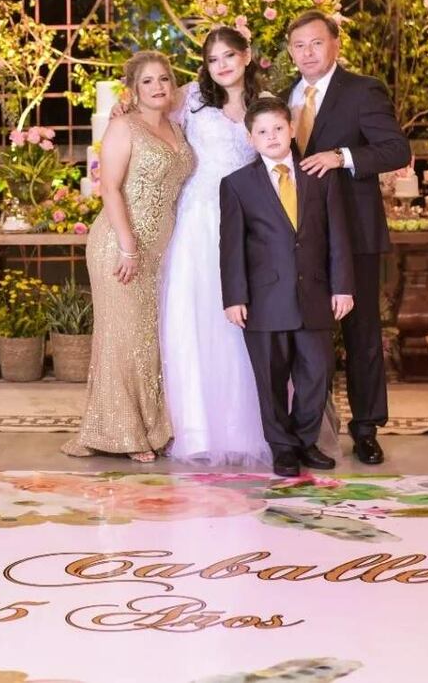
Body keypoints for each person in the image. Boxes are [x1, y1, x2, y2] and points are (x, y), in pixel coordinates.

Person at [284, 10, 412, 465]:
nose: (308, 53)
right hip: (300, 236)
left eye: (316, 43)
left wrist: (341, 156)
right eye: (299, 45)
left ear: (335, 44)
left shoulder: (361, 90)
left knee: (361, 334)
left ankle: (366, 428)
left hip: (354, 233)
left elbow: (396, 149)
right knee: (304, 334)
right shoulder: (284, 96)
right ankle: (309, 428)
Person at [62, 51, 193, 462]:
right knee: (123, 338)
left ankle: (152, 427)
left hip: (158, 251)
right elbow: (109, 188)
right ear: (133, 90)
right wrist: (128, 246)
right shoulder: (123, 126)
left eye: (164, 79)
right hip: (120, 246)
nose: (158, 87)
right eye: (147, 81)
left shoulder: (176, 126)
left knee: (148, 339)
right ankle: (123, 433)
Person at [219, 97, 355, 477]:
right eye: (262, 132)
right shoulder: (237, 185)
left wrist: (342, 286)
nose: (272, 136)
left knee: (317, 372)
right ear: (251, 139)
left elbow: (338, 235)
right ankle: (282, 448)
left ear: (292, 130)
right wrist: (234, 297)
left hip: (314, 294)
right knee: (271, 378)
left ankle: (306, 441)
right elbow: (231, 247)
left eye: (278, 128)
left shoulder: (319, 177)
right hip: (264, 300)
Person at [158, 27, 275, 465]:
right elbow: (150, 115)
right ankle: (197, 430)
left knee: (240, 322)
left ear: (247, 55)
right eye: (213, 59)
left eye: (229, 55)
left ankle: (248, 430)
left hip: (248, 220)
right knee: (196, 317)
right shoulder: (191, 99)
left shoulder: (266, 104)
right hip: (197, 219)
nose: (221, 65)